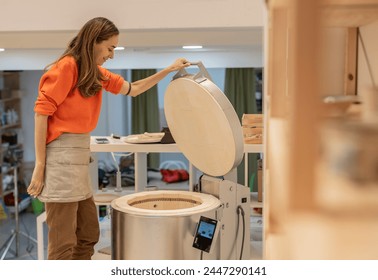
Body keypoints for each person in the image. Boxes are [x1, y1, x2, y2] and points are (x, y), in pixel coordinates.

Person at [26, 17, 190, 260]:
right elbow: (41, 114)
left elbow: (133, 89)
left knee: (89, 235)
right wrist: (40, 166)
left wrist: (169, 69)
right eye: (110, 48)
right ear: (93, 42)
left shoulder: (96, 73)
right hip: (60, 159)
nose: (112, 55)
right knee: (63, 242)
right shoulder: (66, 67)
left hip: (79, 157)